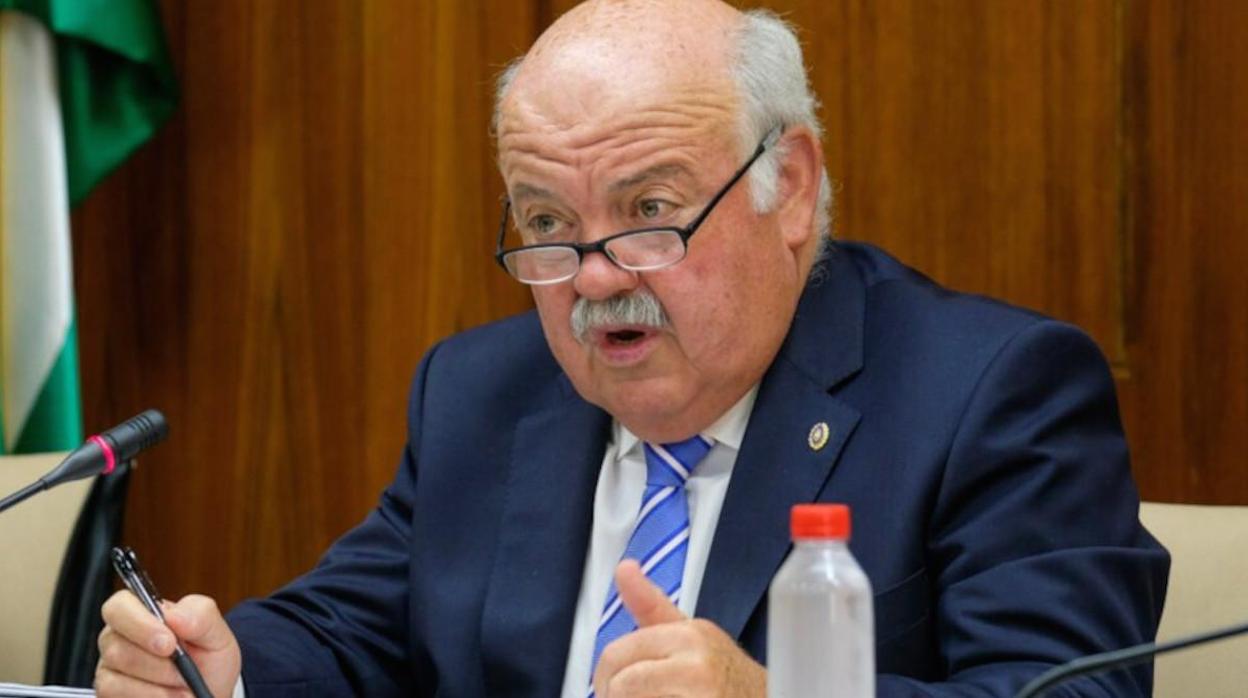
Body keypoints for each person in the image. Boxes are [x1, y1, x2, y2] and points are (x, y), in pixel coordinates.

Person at [95, 1, 1169, 696]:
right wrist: (221, 669)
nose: (597, 278)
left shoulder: (990, 394)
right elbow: (347, 630)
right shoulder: (484, 390)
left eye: (649, 210)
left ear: (790, 188)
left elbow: (1069, 690)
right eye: (548, 223)